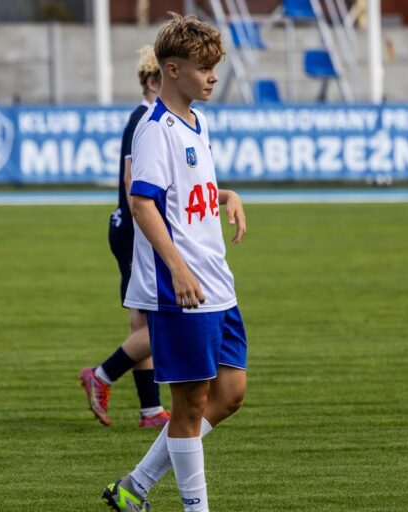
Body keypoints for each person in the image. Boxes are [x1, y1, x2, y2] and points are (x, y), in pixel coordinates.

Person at [101, 13, 248, 512]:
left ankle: (134, 486)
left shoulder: (198, 121)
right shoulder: (153, 129)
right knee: (189, 406)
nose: (213, 77)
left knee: (230, 393)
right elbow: (143, 203)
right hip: (182, 288)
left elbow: (187, 191)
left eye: (214, 68)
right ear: (171, 69)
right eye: (204, 68)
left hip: (217, 281)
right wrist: (178, 269)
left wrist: (226, 195)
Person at [79, 46, 171, 429]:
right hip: (137, 232)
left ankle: (150, 411)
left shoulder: (145, 118)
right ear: (152, 82)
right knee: (165, 323)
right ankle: (101, 374)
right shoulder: (145, 119)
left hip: (127, 230)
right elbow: (134, 184)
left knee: (142, 323)